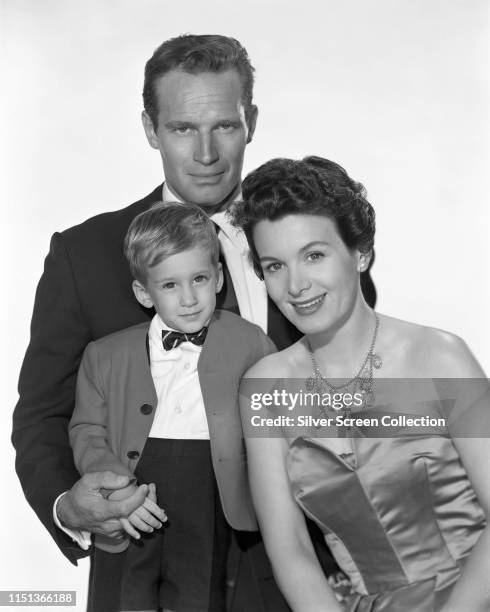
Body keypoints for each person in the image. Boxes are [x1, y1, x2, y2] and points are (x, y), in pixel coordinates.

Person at [12, 34, 310, 612]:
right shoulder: (86, 254)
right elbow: (43, 413)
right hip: (140, 555)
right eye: (181, 128)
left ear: (251, 121)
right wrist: (67, 506)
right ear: (150, 129)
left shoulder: (311, 242)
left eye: (224, 126)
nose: (206, 153)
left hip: (295, 570)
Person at [231, 156, 490, 611]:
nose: (296, 285)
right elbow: (290, 548)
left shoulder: (439, 356)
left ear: (360, 253)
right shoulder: (264, 390)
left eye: (314, 255)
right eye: (275, 266)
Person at [68, 202, 276, 611]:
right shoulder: (104, 355)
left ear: (218, 278)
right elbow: (87, 431)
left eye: (199, 278)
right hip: (132, 490)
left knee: (199, 594)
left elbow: (273, 420)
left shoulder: (252, 342)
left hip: (209, 489)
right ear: (144, 293)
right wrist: (116, 489)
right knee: (123, 596)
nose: (188, 298)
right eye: (169, 286)